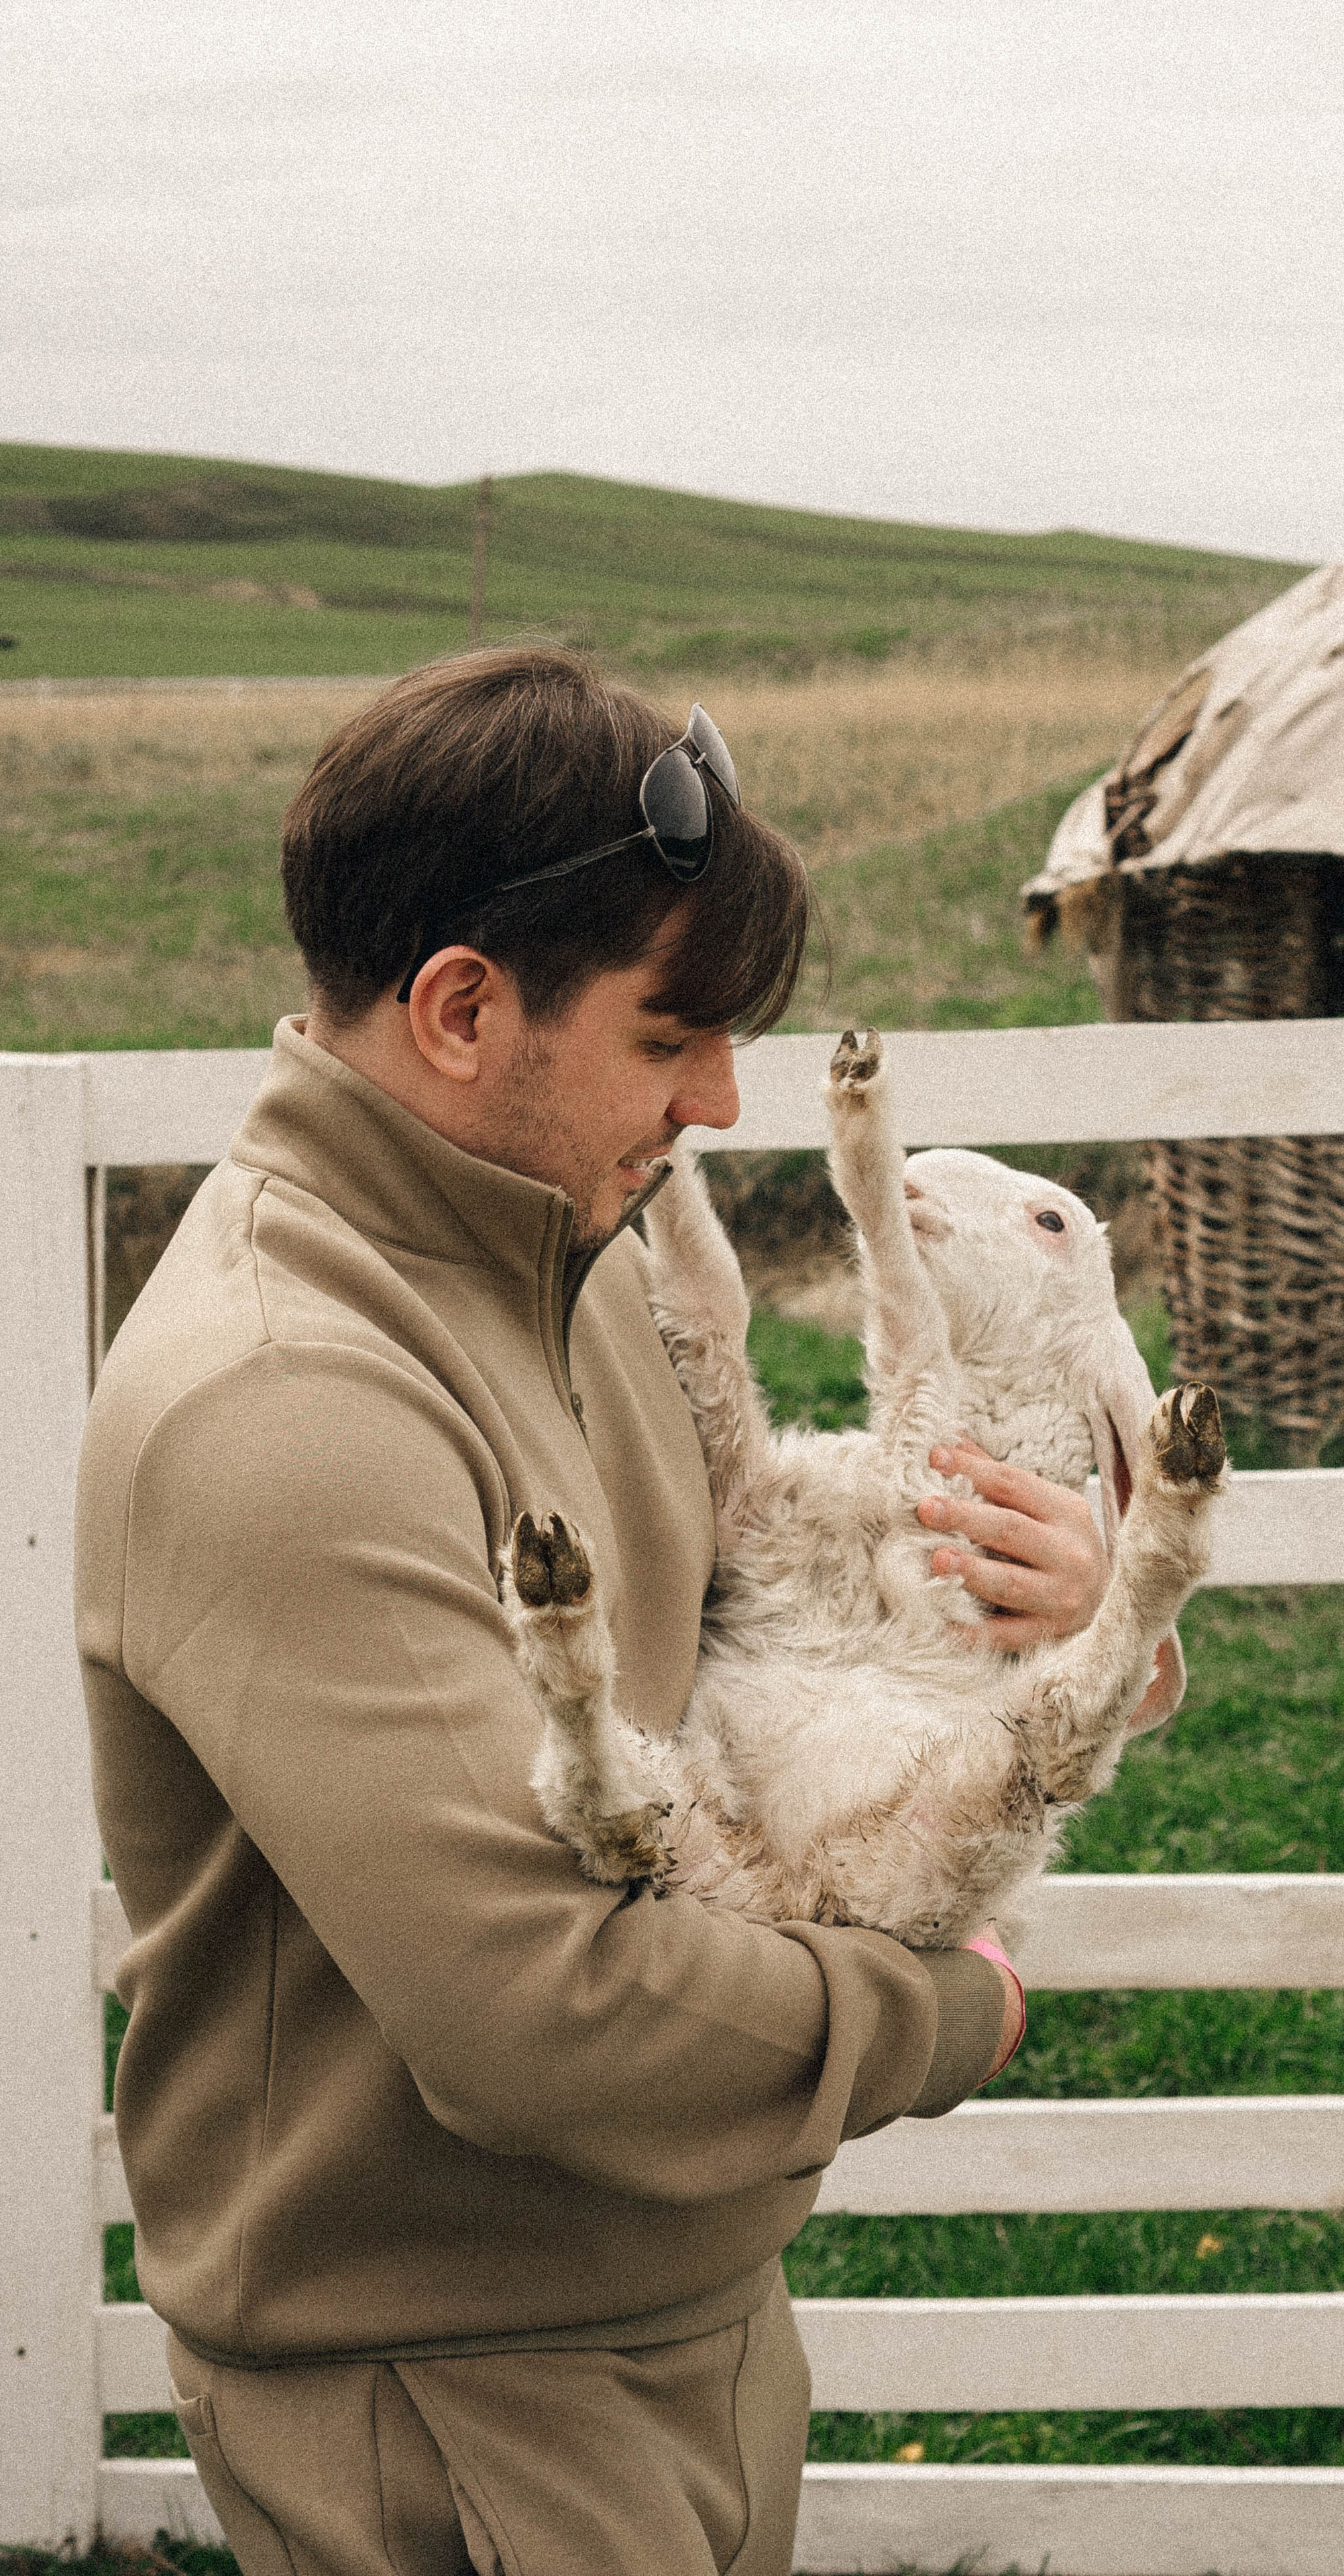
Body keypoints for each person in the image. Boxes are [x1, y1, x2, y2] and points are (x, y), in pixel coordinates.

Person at [75, 647, 1110, 2576]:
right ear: (464, 1009)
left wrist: (1060, 1619)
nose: (721, 1098)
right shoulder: (287, 1400)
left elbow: (773, 1639)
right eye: (669, 1036)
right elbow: (539, 2017)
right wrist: (951, 2017)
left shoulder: (573, 1258)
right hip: (452, 2389)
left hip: (666, 2312)